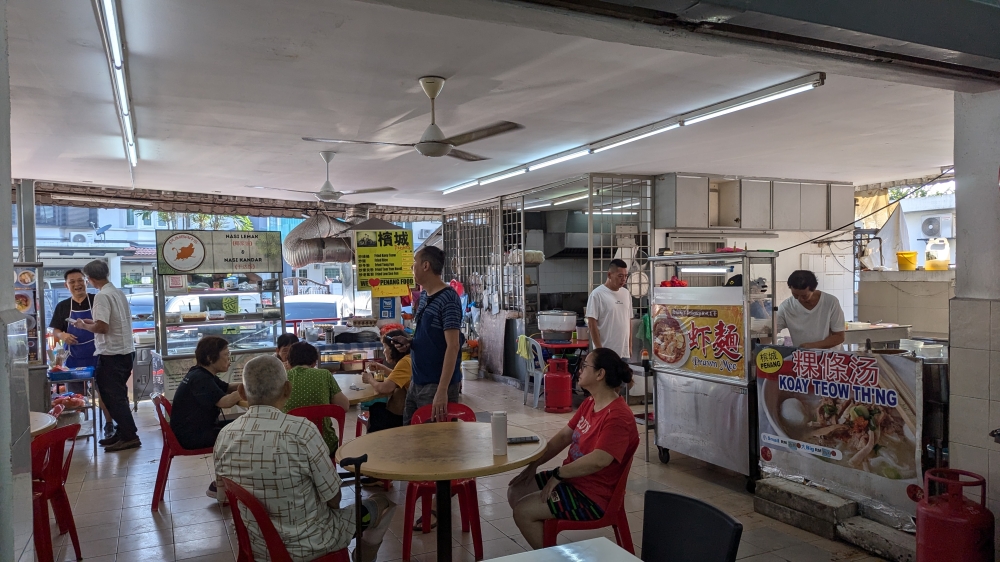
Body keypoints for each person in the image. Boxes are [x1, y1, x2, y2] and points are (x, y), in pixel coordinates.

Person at [214, 355, 396, 562]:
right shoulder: (302, 431)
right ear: (287, 389)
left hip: (257, 546)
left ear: (242, 392)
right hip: (311, 544)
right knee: (382, 503)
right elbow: (334, 500)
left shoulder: (224, 435)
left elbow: (222, 496)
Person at [507, 347, 639, 550]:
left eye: (585, 366)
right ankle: (547, 539)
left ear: (600, 374)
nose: (580, 370)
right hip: (573, 480)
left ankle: (550, 554)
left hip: (592, 495)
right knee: (516, 490)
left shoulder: (617, 416)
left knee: (523, 511)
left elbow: (599, 460)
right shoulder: (590, 403)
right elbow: (563, 437)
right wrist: (534, 465)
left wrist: (559, 474)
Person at [71, 260, 139, 452]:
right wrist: (90, 321)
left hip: (112, 353)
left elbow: (103, 327)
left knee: (112, 398)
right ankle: (124, 431)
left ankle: (129, 435)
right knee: (118, 396)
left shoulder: (101, 296)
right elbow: (110, 321)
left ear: (90, 279)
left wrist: (84, 326)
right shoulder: (117, 292)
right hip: (126, 351)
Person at [391, 246, 462, 424]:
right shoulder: (424, 296)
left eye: (414, 262)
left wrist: (442, 390)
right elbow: (430, 337)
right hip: (417, 380)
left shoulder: (449, 299)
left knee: (434, 443)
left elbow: (453, 346)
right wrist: (409, 342)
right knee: (411, 435)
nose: (412, 268)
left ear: (425, 266)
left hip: (436, 384)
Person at [169, 336, 242, 496]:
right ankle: (223, 485)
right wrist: (248, 390)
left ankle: (225, 482)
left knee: (240, 425)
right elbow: (225, 402)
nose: (229, 359)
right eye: (226, 355)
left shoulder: (200, 373)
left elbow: (228, 387)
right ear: (210, 358)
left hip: (192, 429)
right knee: (242, 434)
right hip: (192, 436)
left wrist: (248, 382)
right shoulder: (201, 378)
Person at [49, 268, 114, 436]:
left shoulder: (98, 300)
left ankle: (109, 425)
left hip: (99, 355)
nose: (77, 285)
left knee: (105, 392)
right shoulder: (63, 306)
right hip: (74, 358)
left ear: (86, 282)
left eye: (80, 280)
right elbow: (55, 330)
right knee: (76, 398)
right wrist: (62, 335)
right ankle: (79, 427)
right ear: (66, 285)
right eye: (72, 282)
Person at [282, 342, 350, 456]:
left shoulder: (284, 378)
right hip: (324, 444)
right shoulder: (324, 375)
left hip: (292, 446)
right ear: (314, 362)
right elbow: (344, 406)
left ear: (289, 362)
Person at [775, 270, 846, 349]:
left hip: (829, 358)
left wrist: (811, 346)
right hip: (804, 358)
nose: (799, 299)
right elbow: (772, 330)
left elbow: (839, 336)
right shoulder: (786, 307)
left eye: (804, 296)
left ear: (814, 288)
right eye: (795, 295)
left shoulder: (831, 302)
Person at [360, 330, 412, 432]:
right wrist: (382, 368)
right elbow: (399, 376)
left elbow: (385, 388)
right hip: (405, 413)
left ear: (394, 348)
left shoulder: (404, 362)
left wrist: (370, 379)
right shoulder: (409, 358)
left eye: (385, 347)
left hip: (399, 419)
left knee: (375, 408)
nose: (384, 351)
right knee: (378, 407)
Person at [586, 259, 633, 360]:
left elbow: (628, 320)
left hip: (624, 352)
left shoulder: (626, 293)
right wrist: (599, 350)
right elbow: (591, 324)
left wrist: (629, 345)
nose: (623, 279)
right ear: (609, 275)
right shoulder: (597, 294)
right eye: (620, 276)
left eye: (626, 276)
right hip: (606, 352)